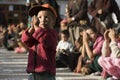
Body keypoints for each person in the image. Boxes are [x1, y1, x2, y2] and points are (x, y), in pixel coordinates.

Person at [21, 4, 58, 80]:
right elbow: (25, 40)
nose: (43, 19)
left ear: (53, 21)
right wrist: (31, 29)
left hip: (46, 72)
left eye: (46, 17)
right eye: (39, 17)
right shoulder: (36, 33)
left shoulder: (51, 34)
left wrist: (37, 28)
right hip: (33, 70)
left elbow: (45, 40)